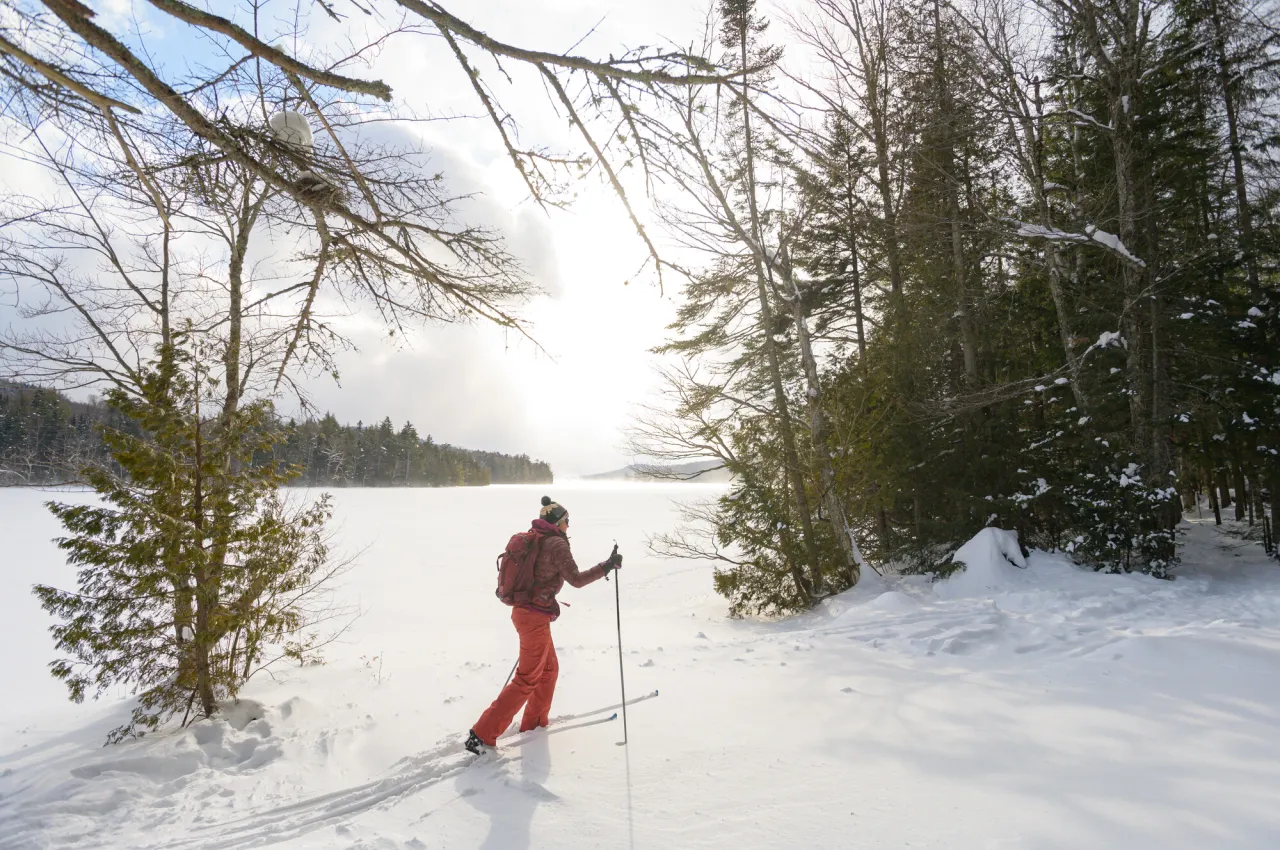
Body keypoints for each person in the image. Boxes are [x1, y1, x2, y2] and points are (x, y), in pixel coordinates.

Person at [465, 496, 622, 754]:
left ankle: (535, 725)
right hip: (533, 617)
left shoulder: (535, 537)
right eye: (567, 522)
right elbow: (577, 580)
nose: (568, 526)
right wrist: (607, 566)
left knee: (548, 670)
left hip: (527, 612)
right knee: (527, 679)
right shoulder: (556, 545)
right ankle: (481, 735)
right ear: (558, 523)